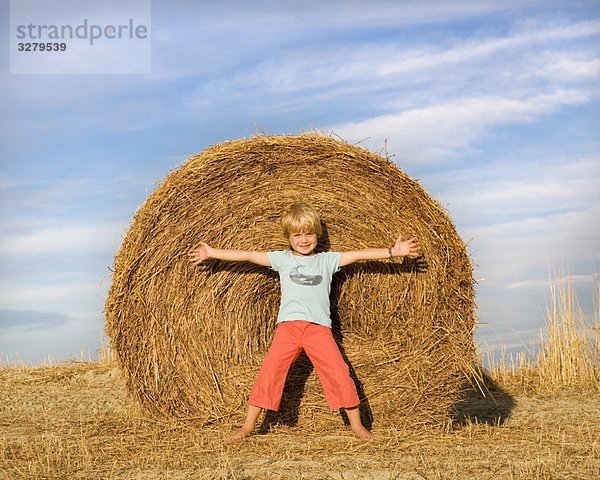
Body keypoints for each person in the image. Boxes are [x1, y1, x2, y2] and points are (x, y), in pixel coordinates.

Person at [188, 203, 421, 441]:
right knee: (269, 372)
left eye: (308, 233)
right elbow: (248, 256)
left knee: (339, 372)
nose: (303, 239)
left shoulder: (327, 261)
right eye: (297, 234)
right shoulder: (283, 259)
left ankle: (358, 427)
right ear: (288, 237)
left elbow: (359, 254)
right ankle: (247, 427)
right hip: (288, 328)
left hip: (318, 329)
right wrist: (212, 252)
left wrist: (394, 252)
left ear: (317, 235)